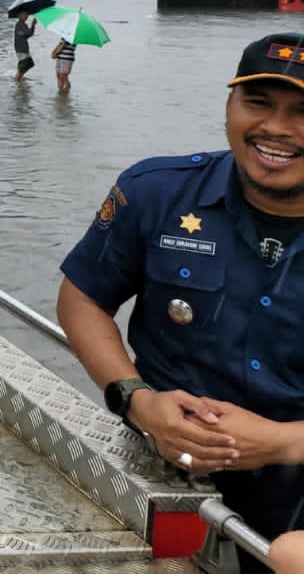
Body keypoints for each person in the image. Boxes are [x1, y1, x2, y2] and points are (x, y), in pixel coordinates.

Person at [57, 33, 304, 563]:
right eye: (258, 102)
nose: (277, 129)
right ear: (229, 105)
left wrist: (282, 442)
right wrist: (136, 400)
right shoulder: (157, 192)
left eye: (302, 111)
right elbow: (83, 299)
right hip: (163, 469)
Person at [13, 9, 36, 81]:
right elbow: (27, 33)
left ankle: (19, 77)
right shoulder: (19, 24)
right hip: (21, 49)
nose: (26, 16)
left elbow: (29, 34)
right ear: (19, 15)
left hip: (23, 49)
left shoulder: (23, 24)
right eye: (24, 14)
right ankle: (17, 79)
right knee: (26, 64)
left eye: (27, 14)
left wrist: (33, 26)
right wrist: (33, 24)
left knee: (28, 63)